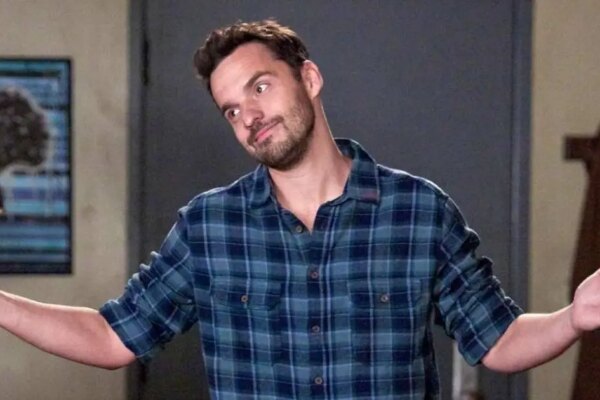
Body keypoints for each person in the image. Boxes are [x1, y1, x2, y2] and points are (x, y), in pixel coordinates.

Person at [1, 19, 600, 399]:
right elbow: (111, 338)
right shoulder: (208, 227)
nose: (249, 116)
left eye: (260, 87)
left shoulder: (419, 211)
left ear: (308, 78)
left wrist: (573, 318)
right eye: (231, 110)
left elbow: (498, 341)